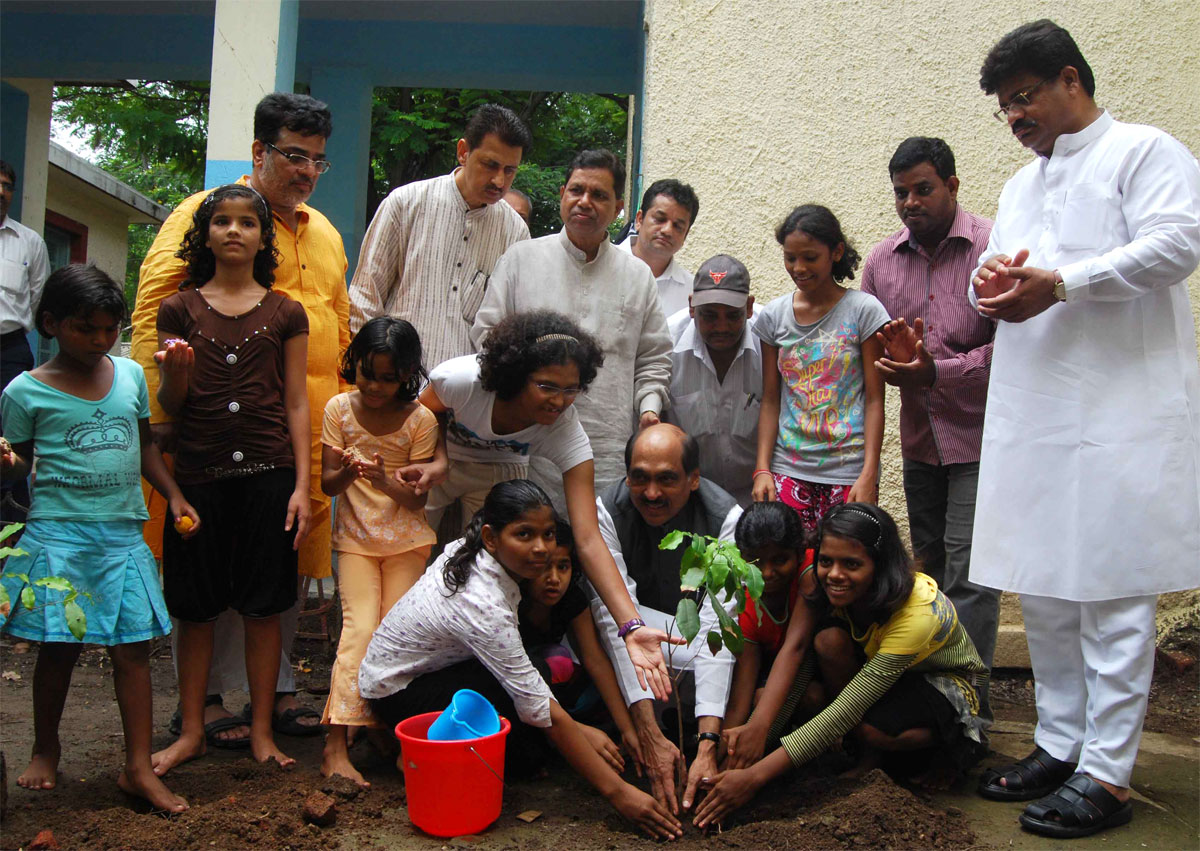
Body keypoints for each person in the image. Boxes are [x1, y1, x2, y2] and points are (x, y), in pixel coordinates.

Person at [968, 20, 1200, 839]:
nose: (1016, 119)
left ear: (1072, 79)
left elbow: (1180, 243)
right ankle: (1061, 742)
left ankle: (1108, 772)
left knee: (1111, 591)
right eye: (1005, 108)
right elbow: (993, 277)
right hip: (1036, 411)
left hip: (1118, 412)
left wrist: (1062, 284)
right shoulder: (1020, 186)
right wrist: (988, 285)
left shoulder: (1144, 151)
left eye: (1024, 99)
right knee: (1048, 588)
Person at [131, 92, 347, 743]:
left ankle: (274, 690)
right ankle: (211, 702)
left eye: (317, 160)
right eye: (293, 156)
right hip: (207, 432)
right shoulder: (207, 216)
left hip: (296, 434)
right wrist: (159, 418)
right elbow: (155, 316)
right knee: (209, 567)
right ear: (258, 152)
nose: (306, 171)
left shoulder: (327, 231)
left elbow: (341, 318)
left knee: (277, 563)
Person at [358, 480, 683, 840]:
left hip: (436, 669)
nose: (541, 548)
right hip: (398, 690)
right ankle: (415, 751)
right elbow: (540, 707)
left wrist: (619, 728)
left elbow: (574, 671)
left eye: (546, 534)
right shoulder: (483, 603)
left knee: (538, 713)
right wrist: (621, 795)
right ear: (491, 537)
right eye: (524, 535)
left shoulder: (477, 551)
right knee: (527, 756)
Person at [0, 264, 198, 812]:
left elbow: (143, 447)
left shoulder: (130, 375)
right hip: (58, 537)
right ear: (51, 324)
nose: (100, 340)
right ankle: (46, 747)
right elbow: (18, 466)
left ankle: (138, 768)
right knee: (58, 649)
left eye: (110, 328)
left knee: (133, 650)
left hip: (122, 538)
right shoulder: (24, 391)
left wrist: (175, 495)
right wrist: (8, 461)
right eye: (86, 328)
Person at [418, 310, 682, 699]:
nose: (559, 401)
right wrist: (437, 459)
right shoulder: (462, 381)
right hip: (436, 460)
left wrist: (631, 625)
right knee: (405, 550)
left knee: (488, 572)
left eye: (571, 389)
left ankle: (468, 679)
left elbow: (589, 538)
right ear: (516, 375)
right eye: (546, 386)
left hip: (499, 470)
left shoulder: (565, 431)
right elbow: (421, 415)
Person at [693, 503, 990, 829]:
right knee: (827, 644)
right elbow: (802, 666)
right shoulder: (830, 590)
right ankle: (868, 755)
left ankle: (954, 749)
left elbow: (846, 710)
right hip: (887, 678)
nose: (835, 574)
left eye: (851, 564)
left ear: (880, 564)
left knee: (872, 729)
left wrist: (755, 776)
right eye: (826, 561)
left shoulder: (918, 613)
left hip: (942, 683)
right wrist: (752, 744)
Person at [150, 184, 311, 775]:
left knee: (265, 608)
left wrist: (301, 485)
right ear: (206, 234)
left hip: (271, 476)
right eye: (222, 221)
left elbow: (296, 402)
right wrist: (178, 375)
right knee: (195, 610)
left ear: (263, 236)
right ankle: (192, 729)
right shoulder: (179, 309)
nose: (235, 231)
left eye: (248, 222)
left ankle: (263, 730)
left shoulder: (286, 311)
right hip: (198, 478)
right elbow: (171, 402)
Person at [859, 137, 1000, 674]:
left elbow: (1010, 348)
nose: (910, 202)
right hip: (921, 442)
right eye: (901, 193)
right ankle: (935, 701)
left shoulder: (990, 245)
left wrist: (937, 371)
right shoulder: (881, 262)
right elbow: (870, 354)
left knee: (971, 574)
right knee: (931, 573)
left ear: (952, 186)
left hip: (982, 438)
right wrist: (894, 366)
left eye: (923, 189)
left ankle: (971, 712)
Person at [472, 149, 672, 492]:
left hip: (607, 452)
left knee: (600, 540)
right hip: (525, 447)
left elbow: (653, 357)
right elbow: (486, 338)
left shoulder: (638, 276)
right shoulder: (522, 259)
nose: (584, 202)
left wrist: (649, 411)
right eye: (577, 190)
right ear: (562, 192)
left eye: (599, 195)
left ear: (619, 207)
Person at [592, 423, 743, 816]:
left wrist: (708, 743)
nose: (651, 493)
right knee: (606, 615)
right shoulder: (607, 510)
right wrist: (647, 731)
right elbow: (613, 620)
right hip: (632, 634)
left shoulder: (726, 519)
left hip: (692, 643)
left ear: (693, 480)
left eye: (667, 479)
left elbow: (719, 628)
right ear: (627, 476)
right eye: (639, 478)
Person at [318, 317, 437, 787]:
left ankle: (388, 730)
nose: (375, 386)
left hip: (407, 542)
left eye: (388, 378)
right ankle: (334, 744)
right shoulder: (338, 410)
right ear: (354, 366)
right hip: (355, 543)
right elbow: (328, 483)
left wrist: (384, 477)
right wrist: (349, 471)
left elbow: (417, 499)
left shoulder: (420, 420)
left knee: (396, 637)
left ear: (407, 374)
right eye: (367, 373)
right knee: (361, 629)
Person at [348, 103, 531, 368]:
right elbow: (365, 298)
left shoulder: (515, 232)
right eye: (490, 165)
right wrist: (375, 375)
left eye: (509, 170)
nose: (499, 181)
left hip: (468, 396)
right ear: (463, 152)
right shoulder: (406, 203)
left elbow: (512, 325)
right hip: (396, 388)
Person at [752, 205, 889, 535]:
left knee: (844, 569)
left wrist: (869, 471)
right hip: (788, 469)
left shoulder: (864, 312)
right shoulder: (773, 318)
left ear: (836, 252)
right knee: (787, 568)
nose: (798, 268)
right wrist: (762, 469)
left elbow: (874, 400)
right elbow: (771, 400)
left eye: (810, 257)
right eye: (790, 258)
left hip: (849, 473)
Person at [517, 520, 640, 774]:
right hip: (515, 686)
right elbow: (515, 678)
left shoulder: (572, 599)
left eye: (563, 566)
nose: (554, 579)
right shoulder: (511, 602)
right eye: (543, 568)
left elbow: (594, 660)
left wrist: (629, 730)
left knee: (595, 689)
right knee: (555, 661)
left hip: (550, 689)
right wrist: (575, 730)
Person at [720, 502, 817, 771]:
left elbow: (796, 648)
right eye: (755, 562)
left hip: (819, 672)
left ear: (798, 554)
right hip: (779, 674)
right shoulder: (747, 605)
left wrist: (758, 729)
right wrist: (719, 756)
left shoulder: (811, 573)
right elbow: (742, 693)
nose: (766, 573)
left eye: (779, 560)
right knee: (757, 698)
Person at [664, 254, 761, 505]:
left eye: (732, 315)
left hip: (758, 495)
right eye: (709, 316)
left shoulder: (771, 339)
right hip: (690, 499)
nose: (721, 327)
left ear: (749, 307)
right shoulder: (665, 342)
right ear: (691, 306)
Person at [0, 159, 51, 524]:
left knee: (12, 437)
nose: (1, 192)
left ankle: (13, 520)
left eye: (6, 185)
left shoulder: (29, 242)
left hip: (9, 350)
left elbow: (39, 302)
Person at [618, 179, 700, 317]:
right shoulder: (599, 264)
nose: (667, 230)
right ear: (639, 220)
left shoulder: (692, 293)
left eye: (678, 226)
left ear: (685, 235)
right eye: (660, 219)